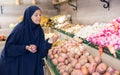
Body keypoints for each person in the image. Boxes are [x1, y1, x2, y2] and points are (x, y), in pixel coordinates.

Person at [0, 6, 59, 75]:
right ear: (29, 16)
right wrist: (26, 48)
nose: (39, 17)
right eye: (36, 15)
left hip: (32, 66)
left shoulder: (39, 30)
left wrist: (49, 42)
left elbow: (41, 53)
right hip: (17, 65)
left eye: (40, 15)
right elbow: (9, 48)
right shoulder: (19, 29)